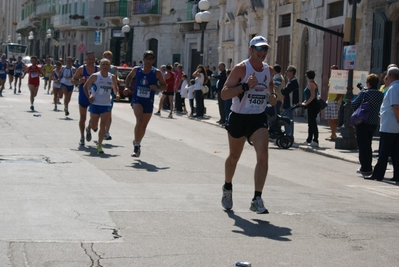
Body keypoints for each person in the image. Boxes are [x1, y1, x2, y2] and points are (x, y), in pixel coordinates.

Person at [220, 35, 277, 214]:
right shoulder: (241, 69)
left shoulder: (268, 70)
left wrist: (272, 95)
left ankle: (257, 198)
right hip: (238, 116)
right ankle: (227, 187)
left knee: (263, 155)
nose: (262, 52)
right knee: (234, 157)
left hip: (257, 118)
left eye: (265, 49)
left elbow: (269, 86)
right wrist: (245, 86)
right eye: (259, 49)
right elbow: (224, 94)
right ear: (250, 50)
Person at [124, 50, 166, 157]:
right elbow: (129, 77)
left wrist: (157, 88)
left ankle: (137, 141)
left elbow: (164, 86)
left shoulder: (156, 72)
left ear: (153, 60)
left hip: (149, 101)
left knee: (143, 125)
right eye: (147, 58)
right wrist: (126, 87)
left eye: (151, 58)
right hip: (137, 99)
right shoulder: (136, 70)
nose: (149, 60)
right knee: (139, 120)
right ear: (143, 59)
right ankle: (136, 146)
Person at [365, 67, 399, 182]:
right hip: (392, 124)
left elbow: (396, 107)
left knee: (383, 151)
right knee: (395, 152)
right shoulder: (394, 87)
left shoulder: (394, 88)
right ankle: (397, 174)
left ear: (389, 76)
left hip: (390, 125)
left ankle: (378, 174)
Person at [83, 58, 120, 154]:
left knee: (103, 124)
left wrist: (117, 94)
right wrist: (89, 97)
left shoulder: (112, 77)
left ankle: (99, 145)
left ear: (109, 66)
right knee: (94, 126)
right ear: (100, 66)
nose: (105, 66)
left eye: (107, 64)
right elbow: (85, 86)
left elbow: (115, 88)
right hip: (95, 103)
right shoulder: (95, 76)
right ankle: (89, 128)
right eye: (103, 64)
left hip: (106, 104)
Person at [350, 74, 384, 176]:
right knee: (368, 145)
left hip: (363, 122)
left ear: (368, 83)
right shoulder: (380, 94)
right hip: (373, 123)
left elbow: (353, 105)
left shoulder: (365, 93)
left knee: (362, 146)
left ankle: (365, 167)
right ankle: (367, 166)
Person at [72, 51, 98, 146]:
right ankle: (82, 137)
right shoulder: (81, 69)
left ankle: (89, 128)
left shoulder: (98, 69)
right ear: (86, 59)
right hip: (83, 95)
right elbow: (72, 80)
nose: (91, 61)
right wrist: (79, 81)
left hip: (94, 96)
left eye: (93, 59)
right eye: (89, 59)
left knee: (94, 117)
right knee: (83, 117)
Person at [102, 51, 119, 141]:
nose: (107, 58)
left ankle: (107, 131)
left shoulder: (114, 68)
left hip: (110, 93)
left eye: (109, 57)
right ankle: (93, 126)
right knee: (99, 113)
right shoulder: (98, 68)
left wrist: (117, 93)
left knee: (109, 112)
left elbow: (115, 79)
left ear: (111, 59)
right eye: (105, 56)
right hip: (99, 93)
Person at [301, 70, 320, 147]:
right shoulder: (312, 83)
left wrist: (306, 103)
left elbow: (312, 96)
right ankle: (309, 139)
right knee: (310, 123)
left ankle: (315, 140)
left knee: (313, 123)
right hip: (311, 104)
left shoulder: (312, 84)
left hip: (312, 104)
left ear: (307, 76)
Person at [324, 65, 342, 141]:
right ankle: (333, 134)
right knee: (328, 117)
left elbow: (341, 90)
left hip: (335, 101)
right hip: (329, 100)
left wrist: (336, 99)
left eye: (334, 70)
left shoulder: (340, 79)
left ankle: (333, 134)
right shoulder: (331, 79)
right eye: (332, 70)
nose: (332, 72)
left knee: (334, 118)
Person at [281, 65, 299, 136]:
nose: (286, 72)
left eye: (287, 71)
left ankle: (289, 135)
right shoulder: (290, 81)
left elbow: (286, 91)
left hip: (290, 104)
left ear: (291, 72)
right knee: (286, 119)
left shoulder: (293, 82)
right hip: (287, 103)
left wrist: (283, 90)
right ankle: (288, 134)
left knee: (288, 120)